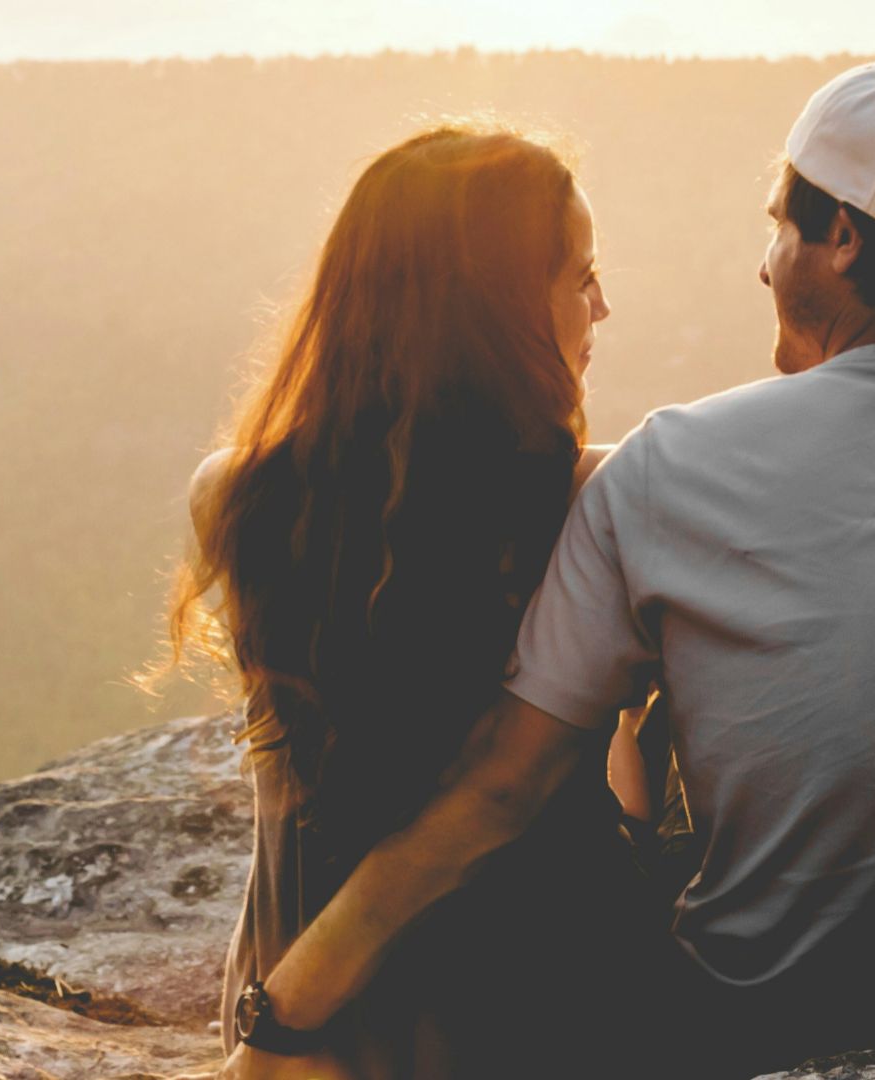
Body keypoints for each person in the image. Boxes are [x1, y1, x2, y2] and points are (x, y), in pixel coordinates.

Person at [223, 62, 875, 1080]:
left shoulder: (670, 469)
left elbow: (500, 791)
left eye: (780, 228)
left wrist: (283, 1016)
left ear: (841, 239)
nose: (763, 265)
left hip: (772, 1024)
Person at [168, 122, 663, 1079]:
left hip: (294, 1006)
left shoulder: (231, 493)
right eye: (579, 277)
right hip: (536, 1011)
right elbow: (564, 783)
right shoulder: (594, 500)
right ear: (495, 310)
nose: (602, 305)